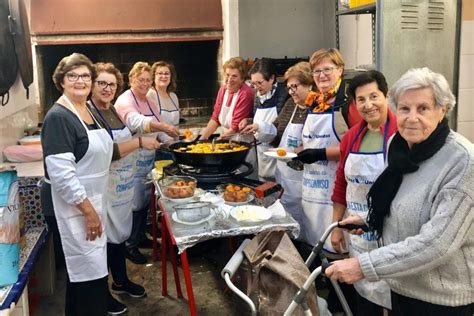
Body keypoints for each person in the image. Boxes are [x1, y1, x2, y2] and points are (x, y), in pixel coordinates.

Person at [326, 68, 474, 316]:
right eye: (404, 108)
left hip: (443, 300)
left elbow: (437, 243)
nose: (412, 117)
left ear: (443, 110)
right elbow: (405, 206)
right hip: (403, 287)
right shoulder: (400, 146)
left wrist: (364, 265)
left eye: (423, 108)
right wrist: (372, 220)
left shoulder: (462, 163)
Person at [40, 53, 111, 315]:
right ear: (61, 81)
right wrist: (89, 212)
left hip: (94, 203)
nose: (79, 81)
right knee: (86, 275)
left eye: (85, 76)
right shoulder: (59, 117)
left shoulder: (89, 109)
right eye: (72, 76)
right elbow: (62, 175)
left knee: (88, 275)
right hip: (76, 209)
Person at [88, 63, 160, 314]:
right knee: (104, 241)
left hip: (121, 187)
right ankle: (102, 293)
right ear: (92, 85)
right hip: (104, 188)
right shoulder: (90, 113)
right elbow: (107, 153)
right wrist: (140, 142)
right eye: (102, 83)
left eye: (112, 84)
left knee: (118, 237)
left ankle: (120, 280)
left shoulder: (113, 111)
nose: (108, 89)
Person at [330, 70, 397, 315]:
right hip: (358, 235)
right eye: (361, 99)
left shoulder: (401, 136)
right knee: (364, 299)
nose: (368, 105)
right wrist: (337, 225)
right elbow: (341, 184)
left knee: (391, 298)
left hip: (390, 237)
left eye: (374, 96)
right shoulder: (351, 137)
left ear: (386, 96)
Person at [290, 48, 362, 253]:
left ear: (340, 70)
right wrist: (303, 150)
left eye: (327, 69)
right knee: (316, 246)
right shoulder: (315, 103)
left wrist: (319, 154)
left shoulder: (348, 104)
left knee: (339, 250)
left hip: (339, 193)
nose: (321, 75)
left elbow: (357, 146)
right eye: (316, 71)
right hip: (312, 189)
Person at [115, 62, 179, 264]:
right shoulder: (125, 100)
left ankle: (140, 236)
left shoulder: (148, 100)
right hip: (130, 159)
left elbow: (159, 130)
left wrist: (173, 145)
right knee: (133, 202)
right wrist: (164, 126)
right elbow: (135, 121)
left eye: (147, 80)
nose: (144, 84)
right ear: (131, 80)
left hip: (147, 158)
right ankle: (129, 245)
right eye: (140, 80)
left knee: (143, 199)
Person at [242, 61, 311, 233]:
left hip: (305, 178)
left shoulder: (317, 109)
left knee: (306, 221)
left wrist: (303, 149)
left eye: (295, 86)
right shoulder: (290, 105)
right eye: (289, 87)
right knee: (285, 218)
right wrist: (258, 126)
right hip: (284, 176)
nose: (291, 92)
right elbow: (276, 130)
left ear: (310, 84)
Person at [239, 58, 289, 181]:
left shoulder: (285, 95)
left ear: (272, 78)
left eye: (259, 83)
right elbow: (260, 119)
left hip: (279, 155)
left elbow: (281, 127)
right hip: (262, 154)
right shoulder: (257, 96)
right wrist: (249, 121)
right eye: (253, 83)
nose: (256, 87)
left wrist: (259, 127)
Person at [199, 57, 254, 140]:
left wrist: (217, 141)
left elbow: (235, 127)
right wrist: (203, 138)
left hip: (241, 140)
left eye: (234, 76)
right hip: (226, 138)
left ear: (242, 79)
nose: (229, 79)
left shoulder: (246, 93)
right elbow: (215, 118)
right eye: (227, 75)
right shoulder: (223, 90)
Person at [147, 61, 180, 159]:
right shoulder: (151, 94)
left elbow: (176, 125)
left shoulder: (173, 96)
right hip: (159, 148)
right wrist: (169, 142)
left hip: (175, 146)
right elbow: (152, 125)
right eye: (160, 73)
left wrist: (178, 143)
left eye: (167, 73)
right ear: (153, 76)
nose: (163, 76)